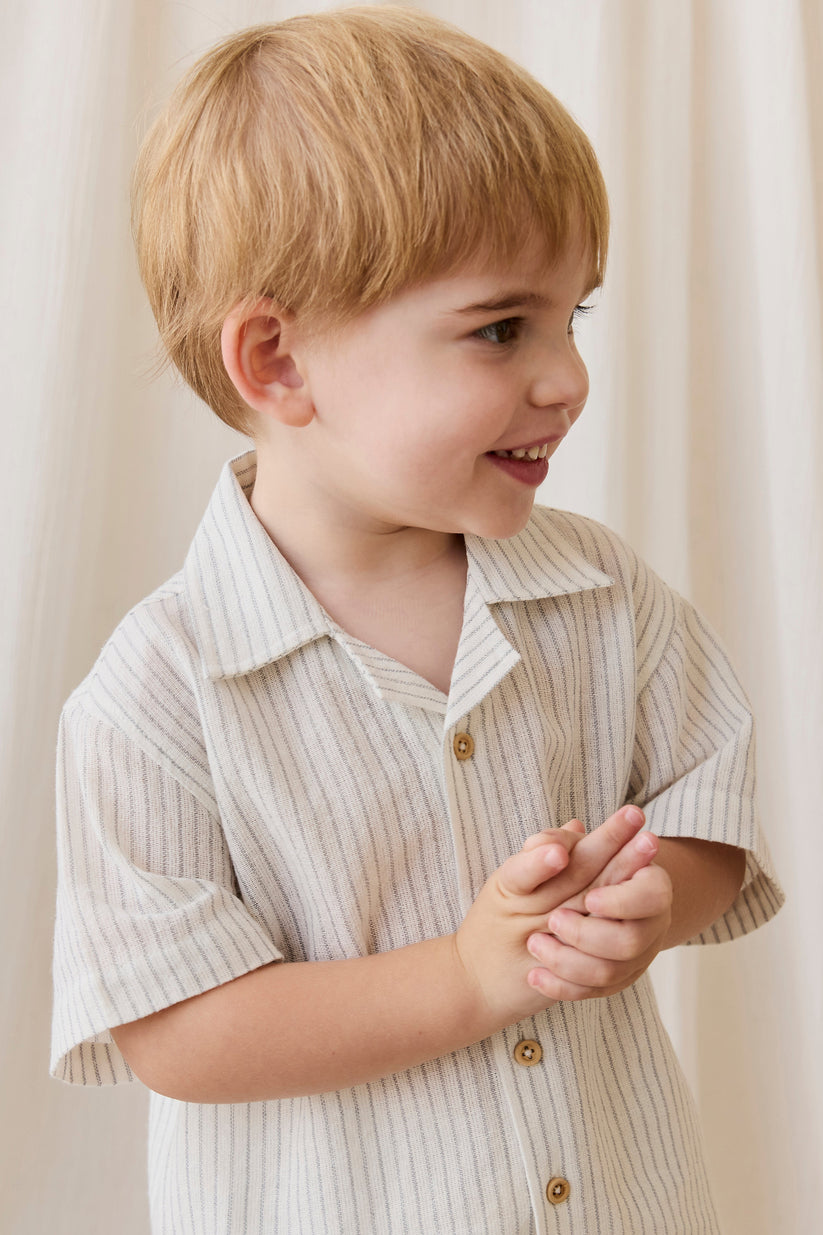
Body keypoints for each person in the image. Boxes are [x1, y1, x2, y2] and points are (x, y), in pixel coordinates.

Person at [50, 7, 783, 1233]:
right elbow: (177, 1026)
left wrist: (653, 905)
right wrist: (465, 975)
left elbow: (708, 820)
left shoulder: (602, 594)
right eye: (501, 327)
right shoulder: (159, 690)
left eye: (571, 316)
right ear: (277, 361)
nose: (566, 378)